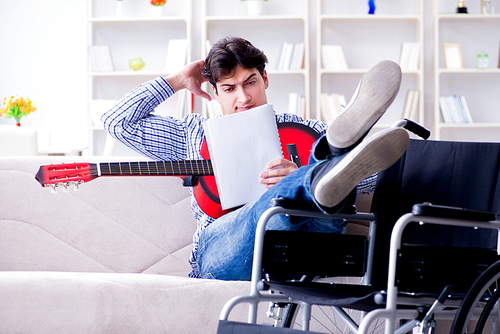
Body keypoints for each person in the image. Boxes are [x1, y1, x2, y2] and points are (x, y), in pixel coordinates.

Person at [102, 37, 409, 281]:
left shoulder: (305, 130)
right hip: (227, 248)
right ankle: (313, 180)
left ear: (265, 78)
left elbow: (375, 175)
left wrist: (300, 169)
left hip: (308, 245)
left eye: (250, 82)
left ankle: (318, 175)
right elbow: (117, 122)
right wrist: (179, 79)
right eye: (229, 88)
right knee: (270, 208)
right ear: (215, 92)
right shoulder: (193, 135)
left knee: (329, 174)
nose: (243, 98)